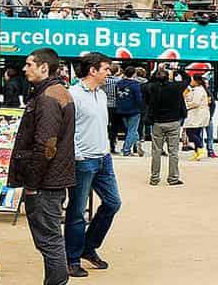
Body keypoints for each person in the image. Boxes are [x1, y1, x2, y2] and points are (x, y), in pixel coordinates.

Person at [7, 48, 76, 285]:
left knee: (49, 240)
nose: (24, 69)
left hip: (46, 183)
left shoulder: (48, 97)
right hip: (52, 179)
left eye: (29, 64)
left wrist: (32, 185)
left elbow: (46, 146)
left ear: (44, 67)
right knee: (51, 239)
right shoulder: (55, 93)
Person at [64, 53, 121, 280]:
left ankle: (89, 245)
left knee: (113, 203)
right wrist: (77, 156)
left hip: (103, 158)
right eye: (106, 69)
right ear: (93, 70)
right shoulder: (73, 95)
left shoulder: (101, 94)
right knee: (77, 211)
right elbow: (67, 130)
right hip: (83, 160)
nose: (110, 72)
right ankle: (72, 258)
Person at [144, 60, 187, 188]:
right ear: (168, 76)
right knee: (173, 151)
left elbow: (148, 83)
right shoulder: (176, 87)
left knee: (156, 151)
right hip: (173, 122)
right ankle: (173, 178)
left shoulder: (152, 88)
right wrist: (177, 69)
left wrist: (156, 71)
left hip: (157, 122)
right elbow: (187, 79)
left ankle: (154, 178)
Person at [107, 65, 143, 158]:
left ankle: (137, 143)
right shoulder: (135, 84)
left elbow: (116, 95)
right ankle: (126, 149)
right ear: (134, 74)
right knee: (132, 129)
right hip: (133, 110)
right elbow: (138, 98)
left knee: (131, 129)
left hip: (121, 109)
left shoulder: (119, 83)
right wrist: (141, 108)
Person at [181, 73, 209, 160]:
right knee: (196, 133)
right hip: (196, 114)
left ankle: (201, 148)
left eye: (192, 80)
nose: (191, 82)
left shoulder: (198, 90)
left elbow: (195, 103)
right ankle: (197, 153)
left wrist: (186, 105)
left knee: (190, 132)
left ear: (196, 82)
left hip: (197, 114)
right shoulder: (196, 89)